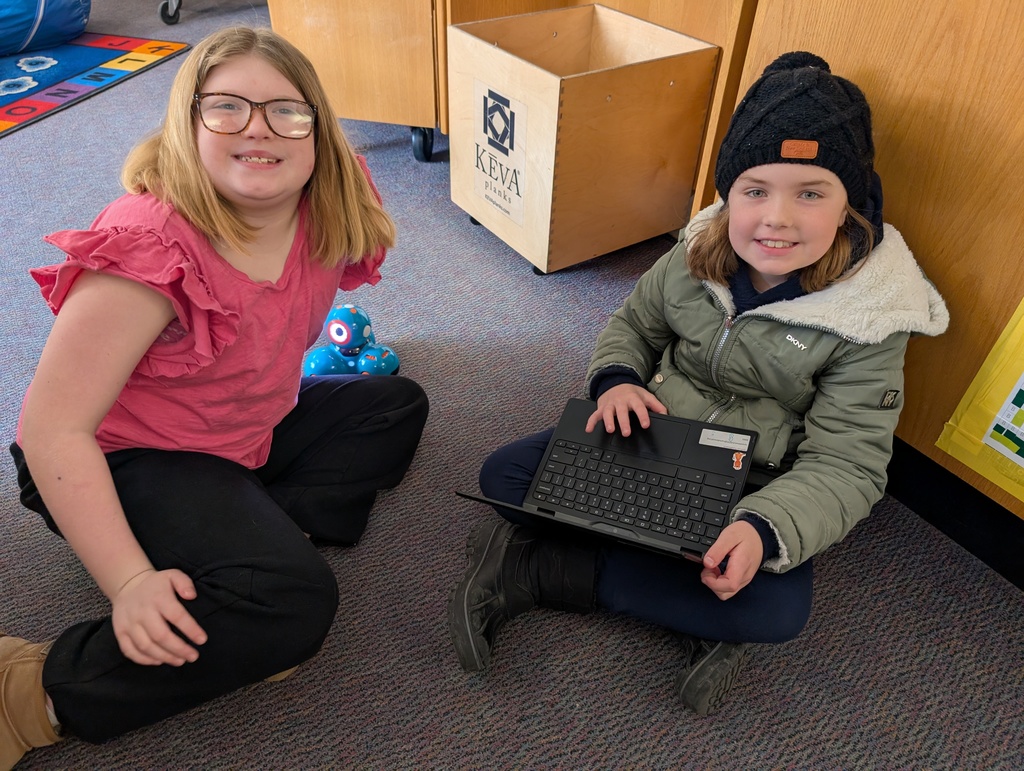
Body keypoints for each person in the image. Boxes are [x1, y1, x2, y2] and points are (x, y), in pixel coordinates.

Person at [447, 51, 948, 716]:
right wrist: (618, 382)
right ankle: (675, 596)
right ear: (728, 193)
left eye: (810, 193)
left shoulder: (872, 316)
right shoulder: (695, 251)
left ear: (850, 202)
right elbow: (634, 324)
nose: (777, 219)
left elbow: (848, 464)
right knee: (505, 477)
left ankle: (544, 569)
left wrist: (764, 529)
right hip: (655, 437)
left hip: (754, 483)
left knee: (776, 607)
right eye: (755, 190)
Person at [1, 26, 428, 766]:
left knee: (395, 403)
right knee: (296, 606)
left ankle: (245, 553)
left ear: (318, 131)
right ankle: (31, 691)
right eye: (227, 108)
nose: (260, 130)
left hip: (238, 435)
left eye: (287, 112)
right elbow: (53, 430)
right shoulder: (150, 245)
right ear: (186, 124)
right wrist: (130, 580)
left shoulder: (333, 193)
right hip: (120, 454)